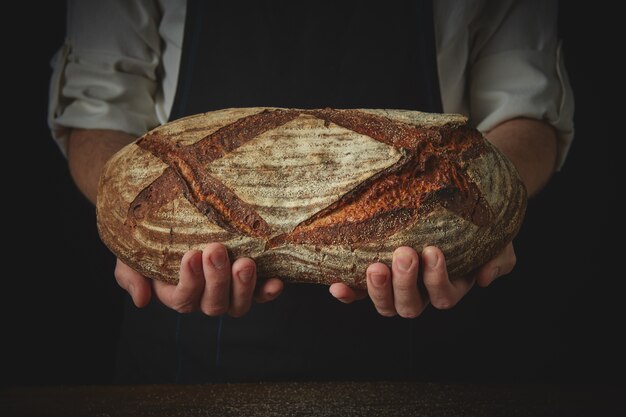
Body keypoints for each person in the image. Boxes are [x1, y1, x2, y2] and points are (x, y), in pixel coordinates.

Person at [49, 0, 574, 382]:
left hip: (432, 352)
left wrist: (498, 213)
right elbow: (98, 113)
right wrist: (137, 232)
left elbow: (529, 109)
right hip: (186, 361)